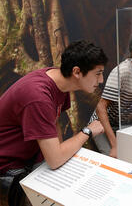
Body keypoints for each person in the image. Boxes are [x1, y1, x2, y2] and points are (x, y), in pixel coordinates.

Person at [0, 40, 108, 206]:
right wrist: (87, 131)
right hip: (8, 167)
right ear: (77, 72)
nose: (101, 80)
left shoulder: (58, 81)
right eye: (98, 73)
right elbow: (55, 159)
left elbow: (54, 122)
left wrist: (54, 155)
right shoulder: (38, 97)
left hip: (32, 157)